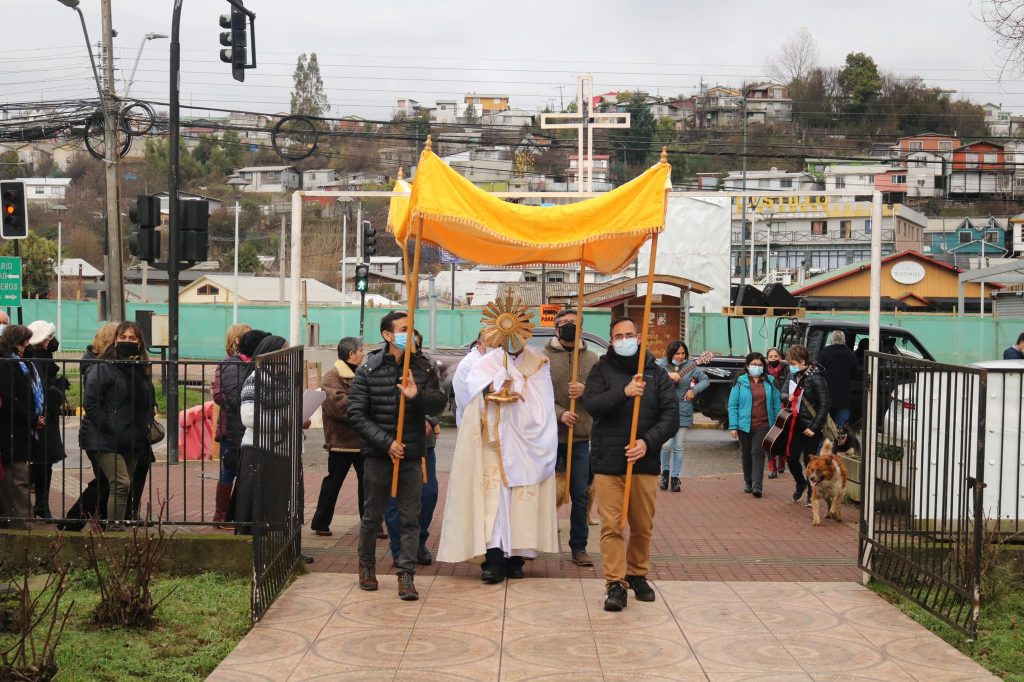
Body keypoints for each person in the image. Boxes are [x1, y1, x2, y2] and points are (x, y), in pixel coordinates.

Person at [438, 322, 559, 584]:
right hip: (493, 444)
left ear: (525, 334)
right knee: (492, 505)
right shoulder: (487, 362)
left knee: (521, 505)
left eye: (518, 335)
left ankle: (516, 560)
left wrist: (519, 393)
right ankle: (493, 561)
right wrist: (488, 390)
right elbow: (468, 396)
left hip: (527, 445)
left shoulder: (539, 361)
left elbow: (544, 402)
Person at [349, 311, 445, 601]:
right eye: (404, 329)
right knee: (372, 515)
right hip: (379, 455)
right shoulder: (369, 369)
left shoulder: (424, 367)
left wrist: (417, 396)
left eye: (412, 328)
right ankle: (367, 566)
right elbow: (356, 413)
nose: (410, 334)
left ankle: (406, 573)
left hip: (412, 454)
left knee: (410, 516)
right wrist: (386, 443)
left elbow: (439, 403)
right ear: (388, 335)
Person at [583, 317, 677, 612]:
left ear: (639, 337)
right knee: (611, 525)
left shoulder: (656, 373)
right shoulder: (601, 370)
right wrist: (624, 392)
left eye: (629, 335)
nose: (624, 340)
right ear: (611, 341)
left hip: (644, 461)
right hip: (609, 461)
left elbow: (670, 416)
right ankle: (615, 583)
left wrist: (647, 442)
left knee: (642, 525)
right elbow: (592, 405)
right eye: (618, 336)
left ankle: (637, 573)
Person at [82, 321, 157, 524]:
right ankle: (114, 529)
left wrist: (146, 422)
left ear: (140, 342)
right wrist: (110, 425)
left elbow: (147, 400)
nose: (127, 341)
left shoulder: (141, 369)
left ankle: (106, 524)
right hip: (106, 437)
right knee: (121, 483)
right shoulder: (103, 367)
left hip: (133, 437)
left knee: (118, 485)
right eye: (123, 337)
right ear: (115, 340)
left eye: (132, 338)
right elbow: (91, 402)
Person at [541, 309, 599, 567]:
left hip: (580, 438)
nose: (568, 327)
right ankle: (537, 540)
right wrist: (559, 413)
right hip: (549, 438)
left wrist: (586, 391)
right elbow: (537, 397)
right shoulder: (542, 359)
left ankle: (579, 546)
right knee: (542, 493)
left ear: (582, 328)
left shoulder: (592, 359)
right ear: (555, 328)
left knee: (580, 494)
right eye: (563, 323)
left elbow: (602, 395)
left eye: (573, 324)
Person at [384, 330, 441, 566]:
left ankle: (418, 540)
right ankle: (399, 549)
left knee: (428, 493)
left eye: (413, 342)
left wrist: (430, 420)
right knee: (394, 498)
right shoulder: (380, 365)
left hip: (422, 443)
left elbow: (437, 398)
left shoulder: (428, 366)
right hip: (393, 444)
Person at [60, 322, 119, 529]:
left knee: (106, 480)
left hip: (95, 432)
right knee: (105, 480)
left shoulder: (95, 362)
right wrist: (108, 425)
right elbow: (93, 403)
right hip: (96, 433)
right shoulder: (98, 366)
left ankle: (95, 519)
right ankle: (74, 520)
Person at [311, 336, 366, 537]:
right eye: (361, 351)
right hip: (341, 441)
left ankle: (371, 525)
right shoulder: (332, 376)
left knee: (368, 484)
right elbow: (339, 408)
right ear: (351, 354)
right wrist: (366, 408)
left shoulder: (362, 373)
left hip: (362, 441)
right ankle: (320, 523)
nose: (364, 354)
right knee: (333, 483)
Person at [24, 321, 69, 519]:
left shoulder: (44, 358)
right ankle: (36, 503)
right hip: (41, 419)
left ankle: (42, 505)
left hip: (47, 418)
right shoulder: (36, 359)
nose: (53, 340)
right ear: (42, 340)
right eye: (49, 337)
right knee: (40, 462)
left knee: (45, 461)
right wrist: (57, 391)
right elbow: (40, 388)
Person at [655, 340, 709, 493]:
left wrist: (694, 390)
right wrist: (668, 375)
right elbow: (652, 376)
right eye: (677, 353)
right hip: (664, 411)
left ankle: (675, 477)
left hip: (683, 410)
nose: (680, 356)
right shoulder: (661, 365)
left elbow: (705, 380)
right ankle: (664, 473)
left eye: (683, 353)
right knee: (665, 446)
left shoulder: (690, 366)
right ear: (670, 353)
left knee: (678, 446)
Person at [211, 323, 252, 525]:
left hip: (244, 425)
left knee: (242, 469)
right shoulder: (227, 363)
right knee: (229, 469)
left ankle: (234, 513)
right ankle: (221, 514)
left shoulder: (251, 362)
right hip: (230, 426)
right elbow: (218, 394)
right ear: (237, 340)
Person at [0, 325, 40, 529]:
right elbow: (10, 399)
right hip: (11, 431)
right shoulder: (7, 363)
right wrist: (32, 417)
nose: (28, 345)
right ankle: (24, 531)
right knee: (17, 481)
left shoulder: (18, 362)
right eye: (26, 341)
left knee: (18, 480)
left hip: (19, 430)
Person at [728, 352, 781, 498]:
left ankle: (757, 486)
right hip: (744, 426)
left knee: (758, 453)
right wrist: (733, 426)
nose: (756, 367)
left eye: (759, 365)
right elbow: (733, 405)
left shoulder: (770, 382)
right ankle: (748, 481)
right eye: (753, 364)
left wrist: (778, 425)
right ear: (747, 366)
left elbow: (776, 404)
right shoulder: (740, 382)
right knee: (746, 454)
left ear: (763, 366)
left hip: (763, 425)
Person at [785, 344, 830, 507]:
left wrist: (814, 427)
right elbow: (782, 392)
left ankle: (812, 492)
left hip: (811, 425)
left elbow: (824, 404)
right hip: (795, 423)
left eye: (793, 363)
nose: (790, 366)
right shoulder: (792, 374)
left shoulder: (816, 377)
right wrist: (787, 397)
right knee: (791, 457)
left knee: (809, 461)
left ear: (802, 362)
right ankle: (800, 482)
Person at [816, 330, 859, 429]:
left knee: (825, 427)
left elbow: (818, 373)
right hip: (844, 397)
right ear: (844, 341)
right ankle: (839, 436)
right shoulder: (851, 354)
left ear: (831, 340)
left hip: (826, 397)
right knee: (841, 427)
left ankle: (827, 439)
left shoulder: (824, 353)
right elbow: (855, 375)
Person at [452, 334, 487, 427]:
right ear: (479, 343)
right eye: (490, 344)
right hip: (472, 421)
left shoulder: (494, 360)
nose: (494, 348)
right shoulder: (468, 365)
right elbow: (464, 400)